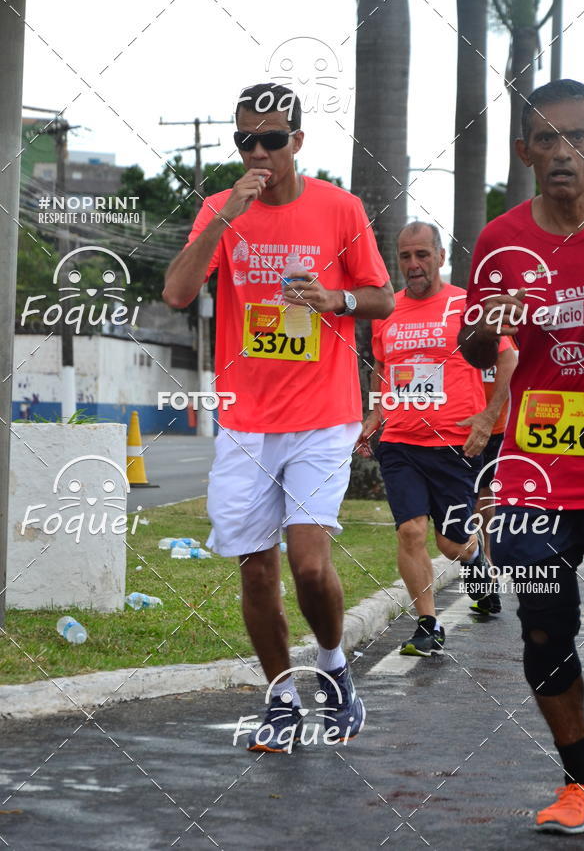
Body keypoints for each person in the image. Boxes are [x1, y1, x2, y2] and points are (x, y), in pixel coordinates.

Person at [163, 82, 394, 753]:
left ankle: (334, 667)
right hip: (246, 420)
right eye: (246, 140)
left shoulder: (340, 208)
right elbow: (177, 293)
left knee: (309, 565)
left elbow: (381, 297)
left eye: (270, 139)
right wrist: (224, 217)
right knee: (256, 570)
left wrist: (336, 299)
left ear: (297, 140)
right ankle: (282, 698)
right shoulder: (220, 208)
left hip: (322, 414)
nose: (258, 152)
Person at [459, 78, 584, 834]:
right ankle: (581, 786)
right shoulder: (501, 240)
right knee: (544, 625)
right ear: (525, 153)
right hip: (535, 469)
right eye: (548, 139)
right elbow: (474, 347)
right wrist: (490, 327)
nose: (564, 152)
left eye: (579, 136)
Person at [356, 222, 512, 656]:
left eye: (422, 254)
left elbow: (509, 359)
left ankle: (476, 562)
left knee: (451, 543)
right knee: (410, 531)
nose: (413, 264)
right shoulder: (388, 310)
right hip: (401, 442)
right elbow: (382, 367)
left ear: (441, 257)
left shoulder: (467, 306)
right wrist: (376, 412)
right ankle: (428, 624)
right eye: (405, 256)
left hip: (454, 444)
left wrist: (487, 418)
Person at [469, 340, 518, 615]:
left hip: (502, 426)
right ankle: (482, 565)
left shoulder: (513, 334)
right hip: (458, 422)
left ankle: (487, 565)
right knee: (475, 496)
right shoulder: (457, 328)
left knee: (485, 493)